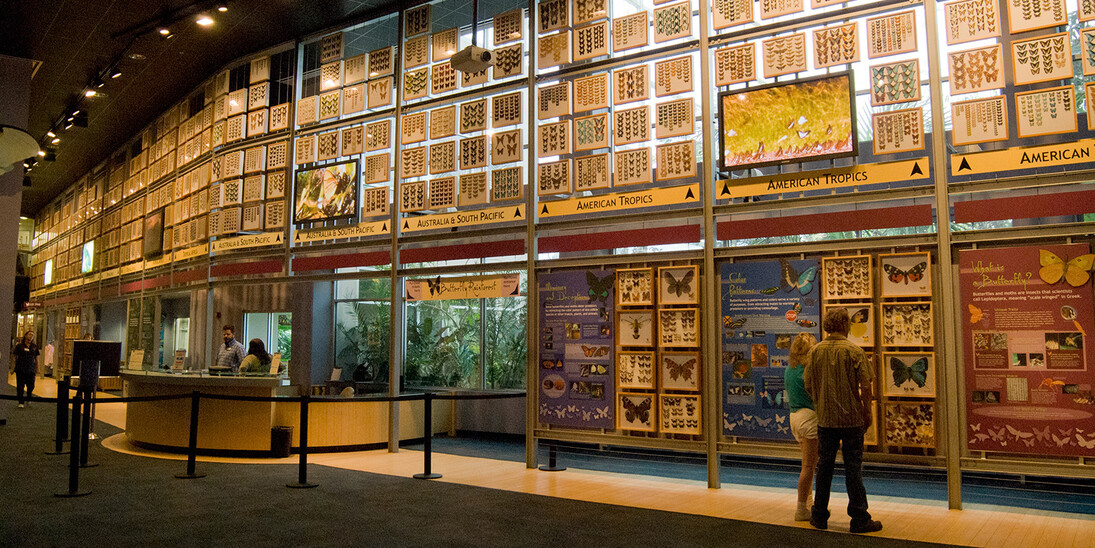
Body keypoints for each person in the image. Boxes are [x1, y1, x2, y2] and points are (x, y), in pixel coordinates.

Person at [803, 307, 882, 534]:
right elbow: (866, 385)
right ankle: (859, 518)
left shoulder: (815, 352)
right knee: (853, 469)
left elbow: (808, 384)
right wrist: (867, 412)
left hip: (825, 421)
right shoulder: (854, 351)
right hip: (851, 420)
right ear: (845, 324)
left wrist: (820, 401)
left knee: (824, 467)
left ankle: (819, 515)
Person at [784, 332, 818, 521]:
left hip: (794, 417)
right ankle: (801, 509)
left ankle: (808, 505)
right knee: (808, 466)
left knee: (808, 465)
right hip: (809, 418)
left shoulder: (790, 369)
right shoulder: (807, 371)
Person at [11, 331, 39, 408]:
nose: (31, 336)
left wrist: (37, 368)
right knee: (20, 385)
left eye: (32, 335)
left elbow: (36, 358)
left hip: (31, 368)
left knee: (31, 385)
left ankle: (29, 397)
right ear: (25, 335)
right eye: (30, 334)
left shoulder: (34, 346)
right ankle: (21, 401)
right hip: (21, 368)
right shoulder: (19, 346)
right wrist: (12, 367)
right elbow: (14, 357)